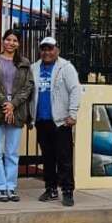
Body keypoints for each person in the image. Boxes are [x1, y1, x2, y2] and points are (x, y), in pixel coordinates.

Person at [0, 29, 33, 202]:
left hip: (17, 110)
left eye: (15, 40)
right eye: (8, 39)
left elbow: (28, 86)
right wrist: (5, 103)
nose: (11, 43)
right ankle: (0, 187)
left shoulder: (24, 63)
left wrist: (13, 104)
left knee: (12, 153)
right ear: (3, 41)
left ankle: (10, 186)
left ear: (19, 43)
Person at [30, 37, 83, 207]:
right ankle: (51, 189)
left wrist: (72, 114)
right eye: (44, 49)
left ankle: (67, 191)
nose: (47, 52)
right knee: (47, 157)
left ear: (57, 50)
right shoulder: (34, 68)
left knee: (64, 158)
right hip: (42, 120)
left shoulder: (66, 67)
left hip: (61, 121)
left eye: (50, 49)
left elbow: (75, 90)